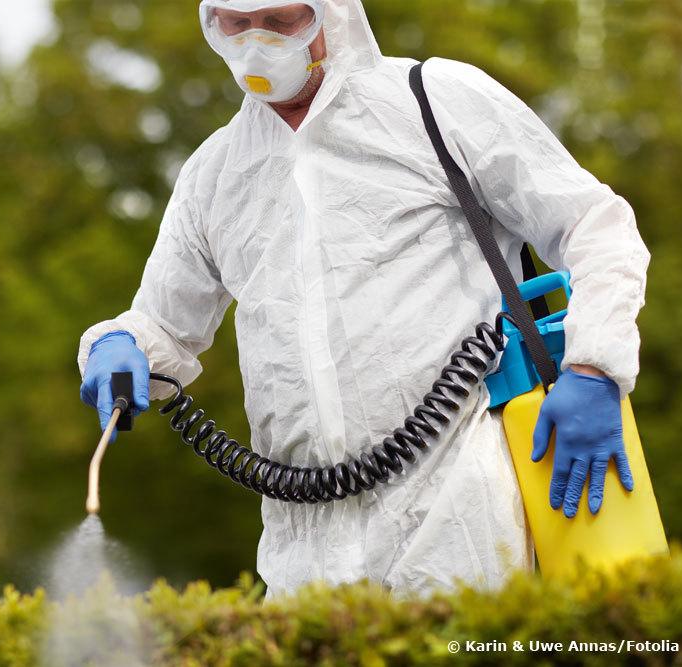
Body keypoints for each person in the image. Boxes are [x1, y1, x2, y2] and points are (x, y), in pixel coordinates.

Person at [78, 0, 649, 597]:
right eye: (235, 23)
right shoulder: (214, 174)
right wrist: (119, 343)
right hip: (303, 550)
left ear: (331, 14)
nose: (256, 43)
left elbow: (594, 225)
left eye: (280, 20)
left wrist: (594, 367)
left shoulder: (432, 102)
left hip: (460, 516)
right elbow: (165, 328)